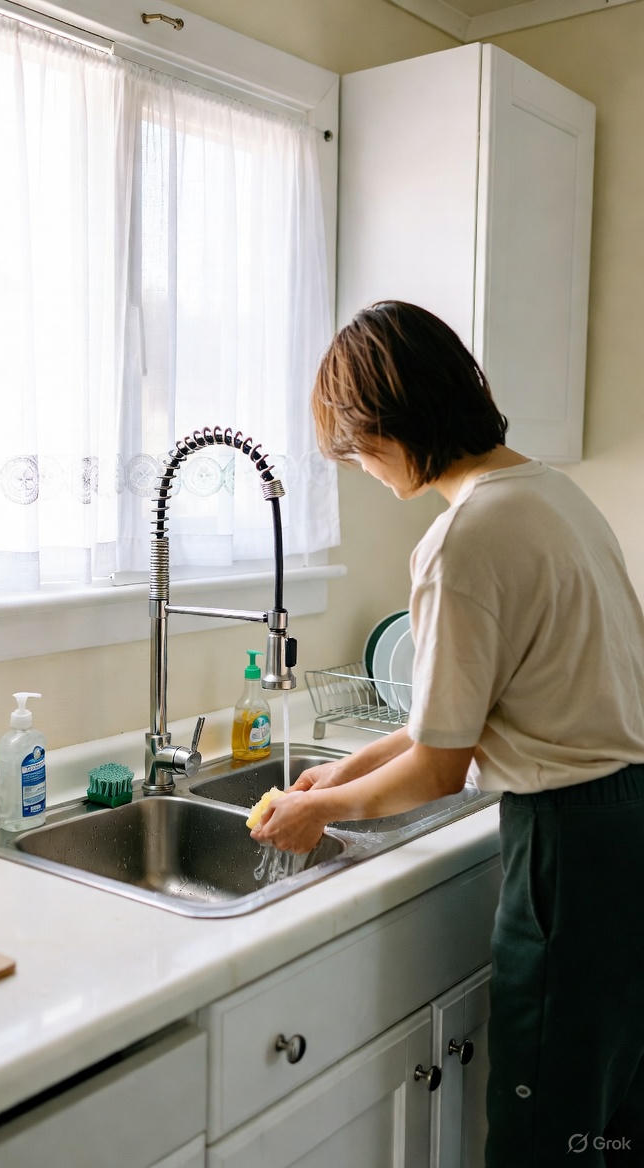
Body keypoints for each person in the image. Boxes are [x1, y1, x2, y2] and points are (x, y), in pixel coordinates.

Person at [249, 301, 644, 1166]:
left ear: (386, 423)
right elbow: (459, 716)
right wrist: (347, 771)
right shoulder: (547, 494)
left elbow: (436, 768)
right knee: (604, 1118)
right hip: (627, 828)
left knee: (543, 1131)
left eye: (351, 446)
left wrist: (325, 813)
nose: (355, 465)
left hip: (567, 852)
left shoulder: (464, 538)